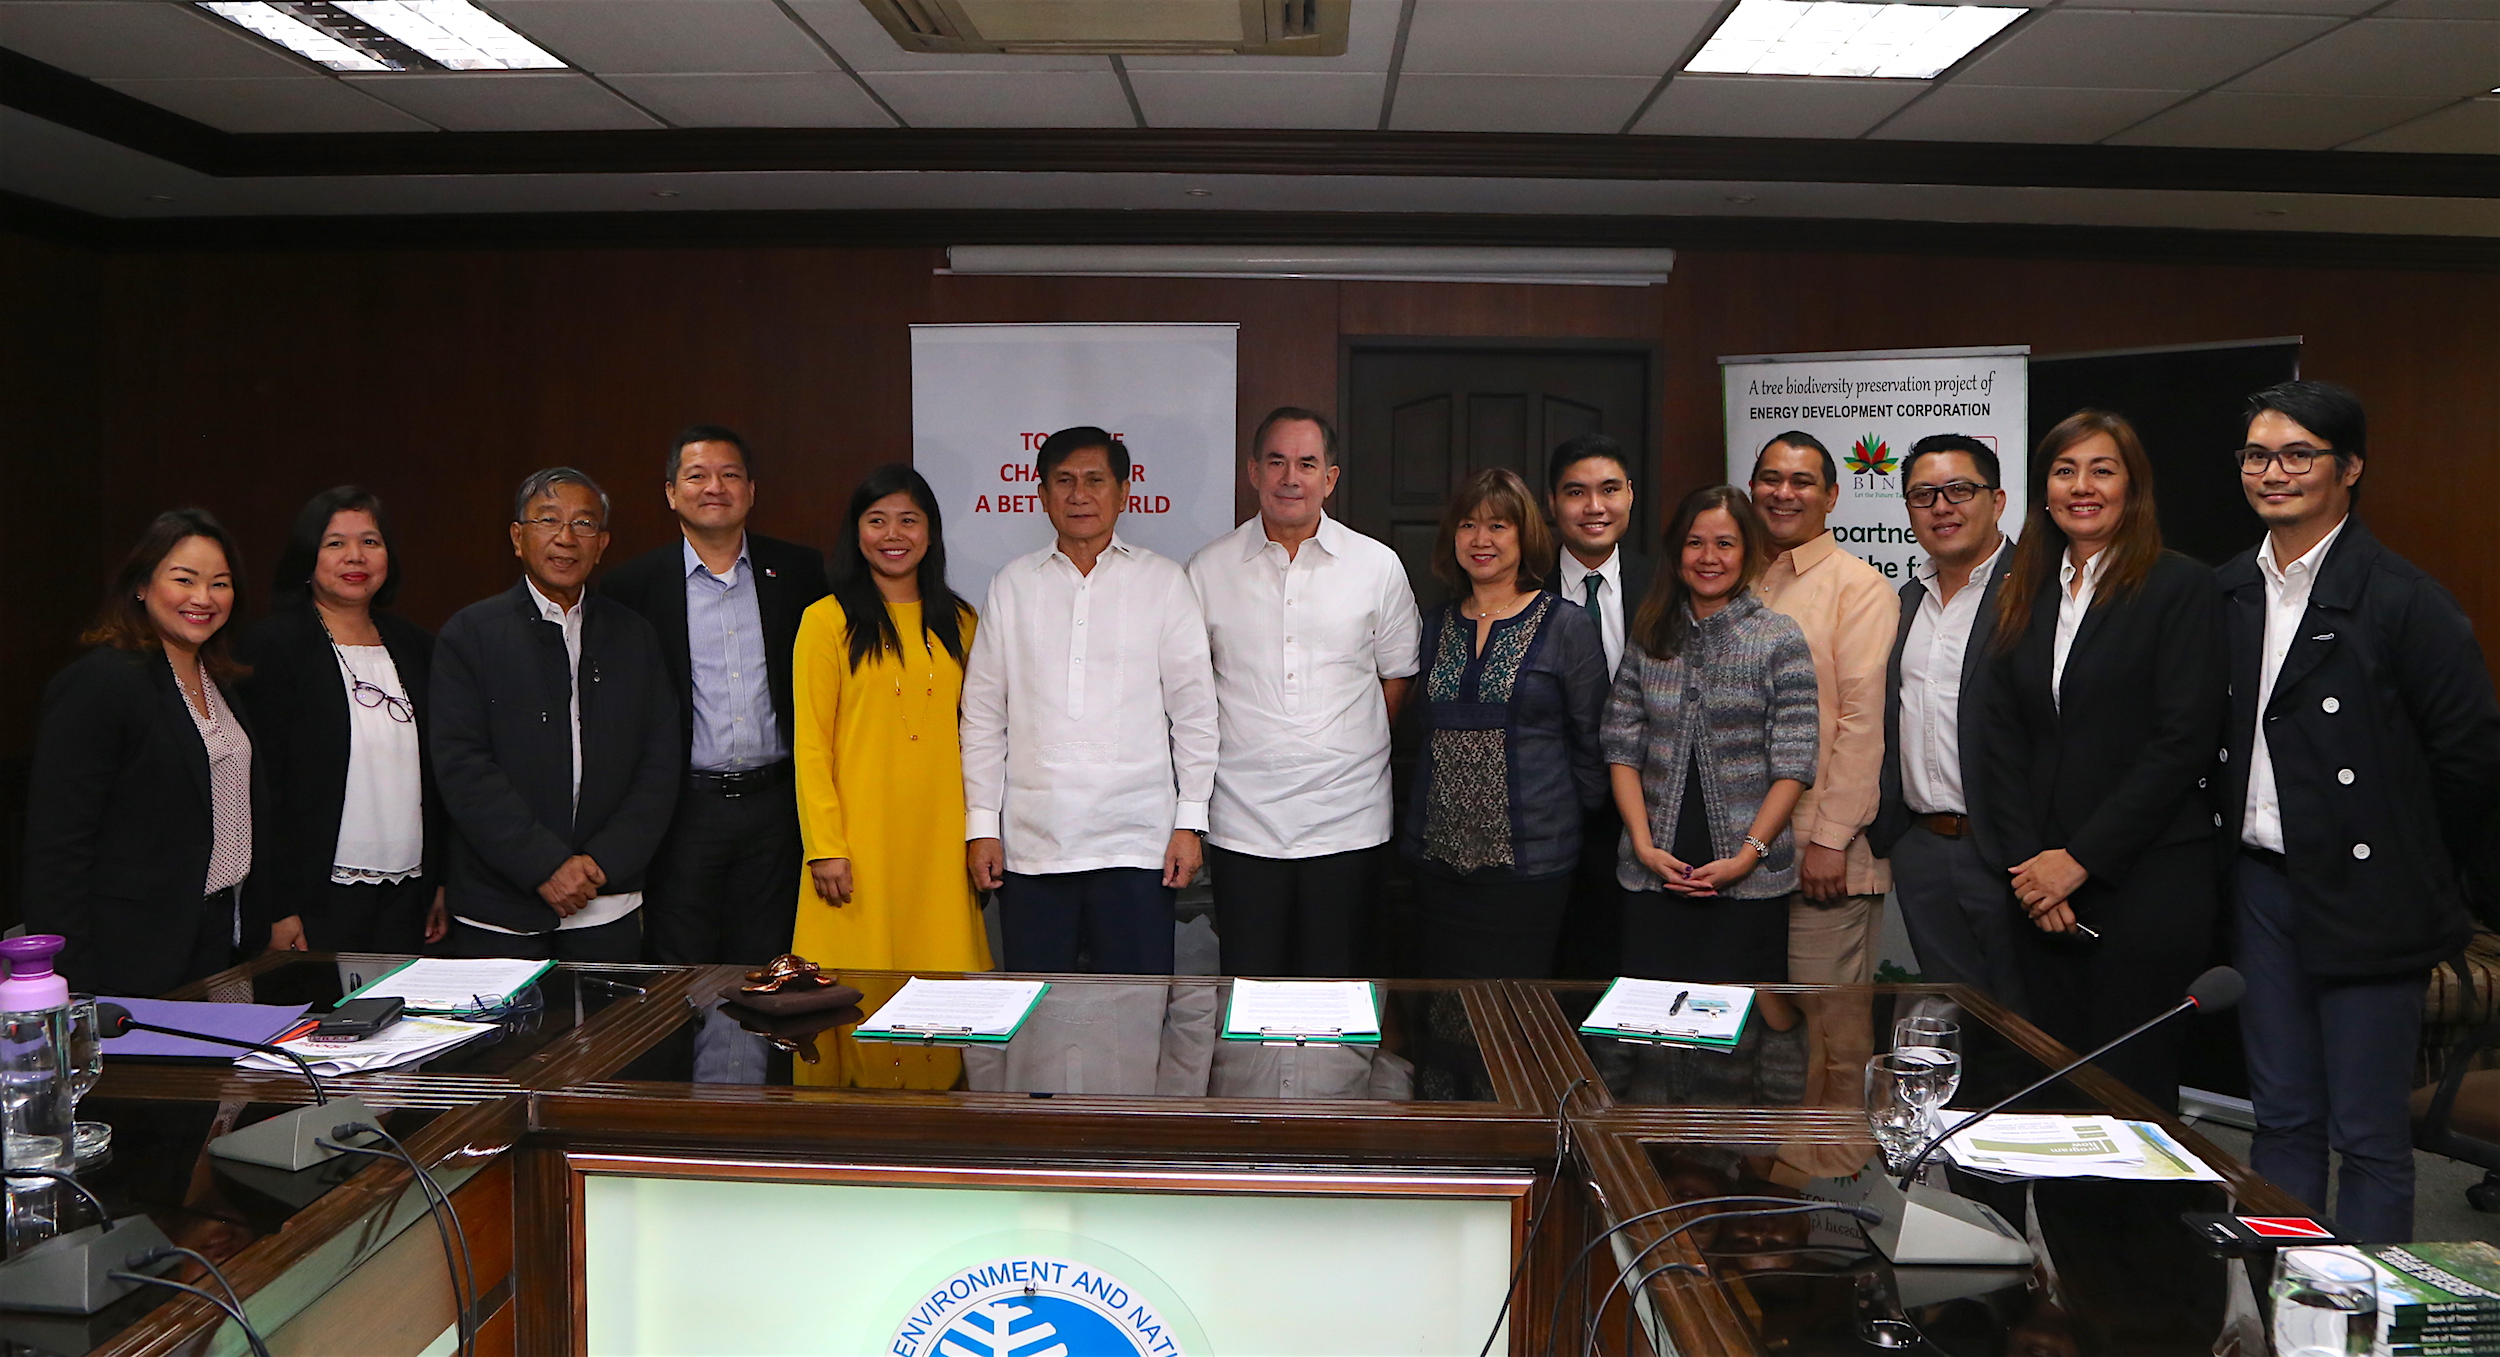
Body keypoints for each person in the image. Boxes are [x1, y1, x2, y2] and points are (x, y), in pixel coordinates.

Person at [2217, 381, 2500, 1241]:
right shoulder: (2227, 588)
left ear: (2350, 468)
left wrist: (2407, 856)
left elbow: (2471, 758)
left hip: (2372, 892)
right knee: (2281, 1115)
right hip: (2262, 886)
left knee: (2370, 1134)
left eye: (2299, 454)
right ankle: (2285, 1302)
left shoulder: (2403, 597)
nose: (2275, 472)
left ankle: (2367, 1318)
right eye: (2258, 455)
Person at [1980, 411, 2225, 1108]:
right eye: (2065, 471)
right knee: (2049, 1091)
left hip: (2145, 883)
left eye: (2102, 469)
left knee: (2128, 1097)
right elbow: (1999, 740)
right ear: (2045, 490)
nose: (2081, 486)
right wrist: (2035, 869)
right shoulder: (2021, 590)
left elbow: (2182, 742)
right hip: (2039, 891)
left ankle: (2138, 1222)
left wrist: (2078, 859)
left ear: (2133, 486)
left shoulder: (2182, 588)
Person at [961, 428, 1218, 975]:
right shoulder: (1012, 585)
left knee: (1139, 1018)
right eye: (1064, 481)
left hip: (1138, 845)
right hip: (1032, 847)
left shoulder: (1163, 582)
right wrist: (982, 826)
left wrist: (1189, 823)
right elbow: (983, 716)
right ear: (1042, 494)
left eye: (1095, 480)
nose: (1080, 495)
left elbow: (1195, 714)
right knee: (1034, 1019)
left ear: (1123, 492)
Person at [1186, 407, 1419, 977]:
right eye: (1277, 462)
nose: (1292, 477)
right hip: (1243, 823)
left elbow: (1397, 677)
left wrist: (1341, 748)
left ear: (1330, 478)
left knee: (1336, 999)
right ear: (1253, 472)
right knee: (1251, 998)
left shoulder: (1377, 566)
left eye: (1307, 463)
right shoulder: (1207, 569)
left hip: (1349, 820)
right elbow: (1191, 693)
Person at [431, 468, 681, 962]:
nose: (566, 538)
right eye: (548, 520)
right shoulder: (471, 634)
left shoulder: (635, 636)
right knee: (503, 1041)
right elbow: (463, 768)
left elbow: (660, 764)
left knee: (613, 1040)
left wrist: (601, 863)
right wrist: (545, 865)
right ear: (517, 536)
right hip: (498, 905)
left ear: (603, 542)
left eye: (584, 524)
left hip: (605, 900)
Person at [600, 426, 827, 965]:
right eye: (697, 476)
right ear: (671, 493)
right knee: (679, 970)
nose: (714, 487)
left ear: (751, 490)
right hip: (683, 810)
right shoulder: (632, 588)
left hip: (777, 807)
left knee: (772, 968)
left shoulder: (800, 573)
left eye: (730, 475)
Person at [24, 510, 273, 994]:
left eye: (220, 583)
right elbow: (57, 849)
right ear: (141, 586)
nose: (203, 598)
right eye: (185, 579)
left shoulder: (218, 680)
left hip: (219, 934)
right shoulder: (101, 682)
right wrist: (72, 984)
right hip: (128, 951)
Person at [1604, 485, 1818, 982]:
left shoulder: (1778, 638)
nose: (1708, 557)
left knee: (1743, 1036)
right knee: (1647, 1025)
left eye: (1725, 543)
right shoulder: (1652, 633)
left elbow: (1795, 760)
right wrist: (1643, 845)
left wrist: (1747, 857)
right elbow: (1620, 746)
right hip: (1654, 873)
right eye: (1695, 543)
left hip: (1746, 880)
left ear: (1748, 552)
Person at [1400, 467, 1608, 979]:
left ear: (1525, 535)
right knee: (1443, 1010)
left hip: (1533, 866)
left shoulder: (1565, 625)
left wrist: (1561, 824)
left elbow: (1593, 743)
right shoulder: (1431, 625)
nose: (1480, 539)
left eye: (1498, 526)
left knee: (1516, 1016)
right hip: (1437, 862)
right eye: (1468, 525)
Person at [791, 464, 991, 973]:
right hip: (858, 843)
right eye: (877, 521)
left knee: (941, 995)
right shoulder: (825, 621)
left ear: (930, 532)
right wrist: (825, 847)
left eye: (909, 520)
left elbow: (983, 735)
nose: (894, 535)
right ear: (856, 532)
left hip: (941, 841)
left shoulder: (962, 622)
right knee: (856, 993)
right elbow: (811, 745)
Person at [1749, 431, 1896, 1104]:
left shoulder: (1858, 587)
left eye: (1802, 481)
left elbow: (1863, 721)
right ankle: (1764, 1197)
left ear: (1833, 495)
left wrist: (1833, 836)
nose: (1784, 492)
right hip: (1741, 855)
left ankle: (1826, 1202)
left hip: (1819, 852)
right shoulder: (1740, 578)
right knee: (1763, 1038)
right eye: (1771, 477)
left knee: (1830, 1040)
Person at [236, 487, 444, 955]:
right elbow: (261, 789)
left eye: (371, 542)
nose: (356, 556)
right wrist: (277, 905)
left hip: (408, 890)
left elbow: (440, 775)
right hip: (314, 895)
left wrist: (441, 881)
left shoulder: (417, 646)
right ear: (306, 556)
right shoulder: (273, 647)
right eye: (335, 543)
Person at [1867, 436, 2023, 1006]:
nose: (1941, 506)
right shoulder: (1904, 600)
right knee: (1955, 1020)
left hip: (2009, 852)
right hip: (1923, 848)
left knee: (2028, 1027)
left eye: (1959, 490)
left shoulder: (2041, 591)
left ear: (1998, 500)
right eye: (1923, 495)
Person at [1547, 433, 1657, 979]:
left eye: (1609, 489)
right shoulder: (1522, 584)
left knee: (1635, 965)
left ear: (1630, 495)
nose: (1594, 507)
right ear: (1552, 503)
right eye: (1576, 492)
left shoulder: (1668, 582)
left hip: (1650, 811)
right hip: (1552, 812)